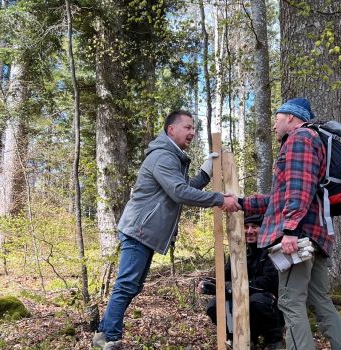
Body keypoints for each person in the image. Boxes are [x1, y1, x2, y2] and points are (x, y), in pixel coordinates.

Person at [93, 111, 241, 350]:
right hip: (138, 230)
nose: (192, 132)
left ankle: (104, 332)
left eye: (194, 128)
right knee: (127, 284)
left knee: (133, 285)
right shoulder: (163, 156)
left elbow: (183, 187)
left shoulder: (172, 157)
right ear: (171, 130)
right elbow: (179, 193)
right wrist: (219, 199)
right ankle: (108, 337)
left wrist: (205, 171)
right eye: (187, 127)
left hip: (145, 232)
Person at [239, 98, 341, 350]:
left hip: (298, 238)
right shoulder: (312, 141)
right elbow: (280, 198)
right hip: (315, 236)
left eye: (277, 119)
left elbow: (299, 189)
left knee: (290, 301)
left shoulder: (300, 138)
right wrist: (242, 202)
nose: (274, 125)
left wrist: (289, 230)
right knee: (320, 301)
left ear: (290, 117)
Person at [199, 214, 284, 349]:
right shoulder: (237, 250)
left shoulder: (271, 250)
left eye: (254, 227)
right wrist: (212, 285)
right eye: (246, 227)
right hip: (240, 297)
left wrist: (240, 287)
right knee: (213, 306)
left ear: (262, 229)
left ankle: (273, 341)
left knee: (257, 302)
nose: (249, 231)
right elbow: (225, 277)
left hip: (268, 301)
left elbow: (270, 281)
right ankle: (237, 338)